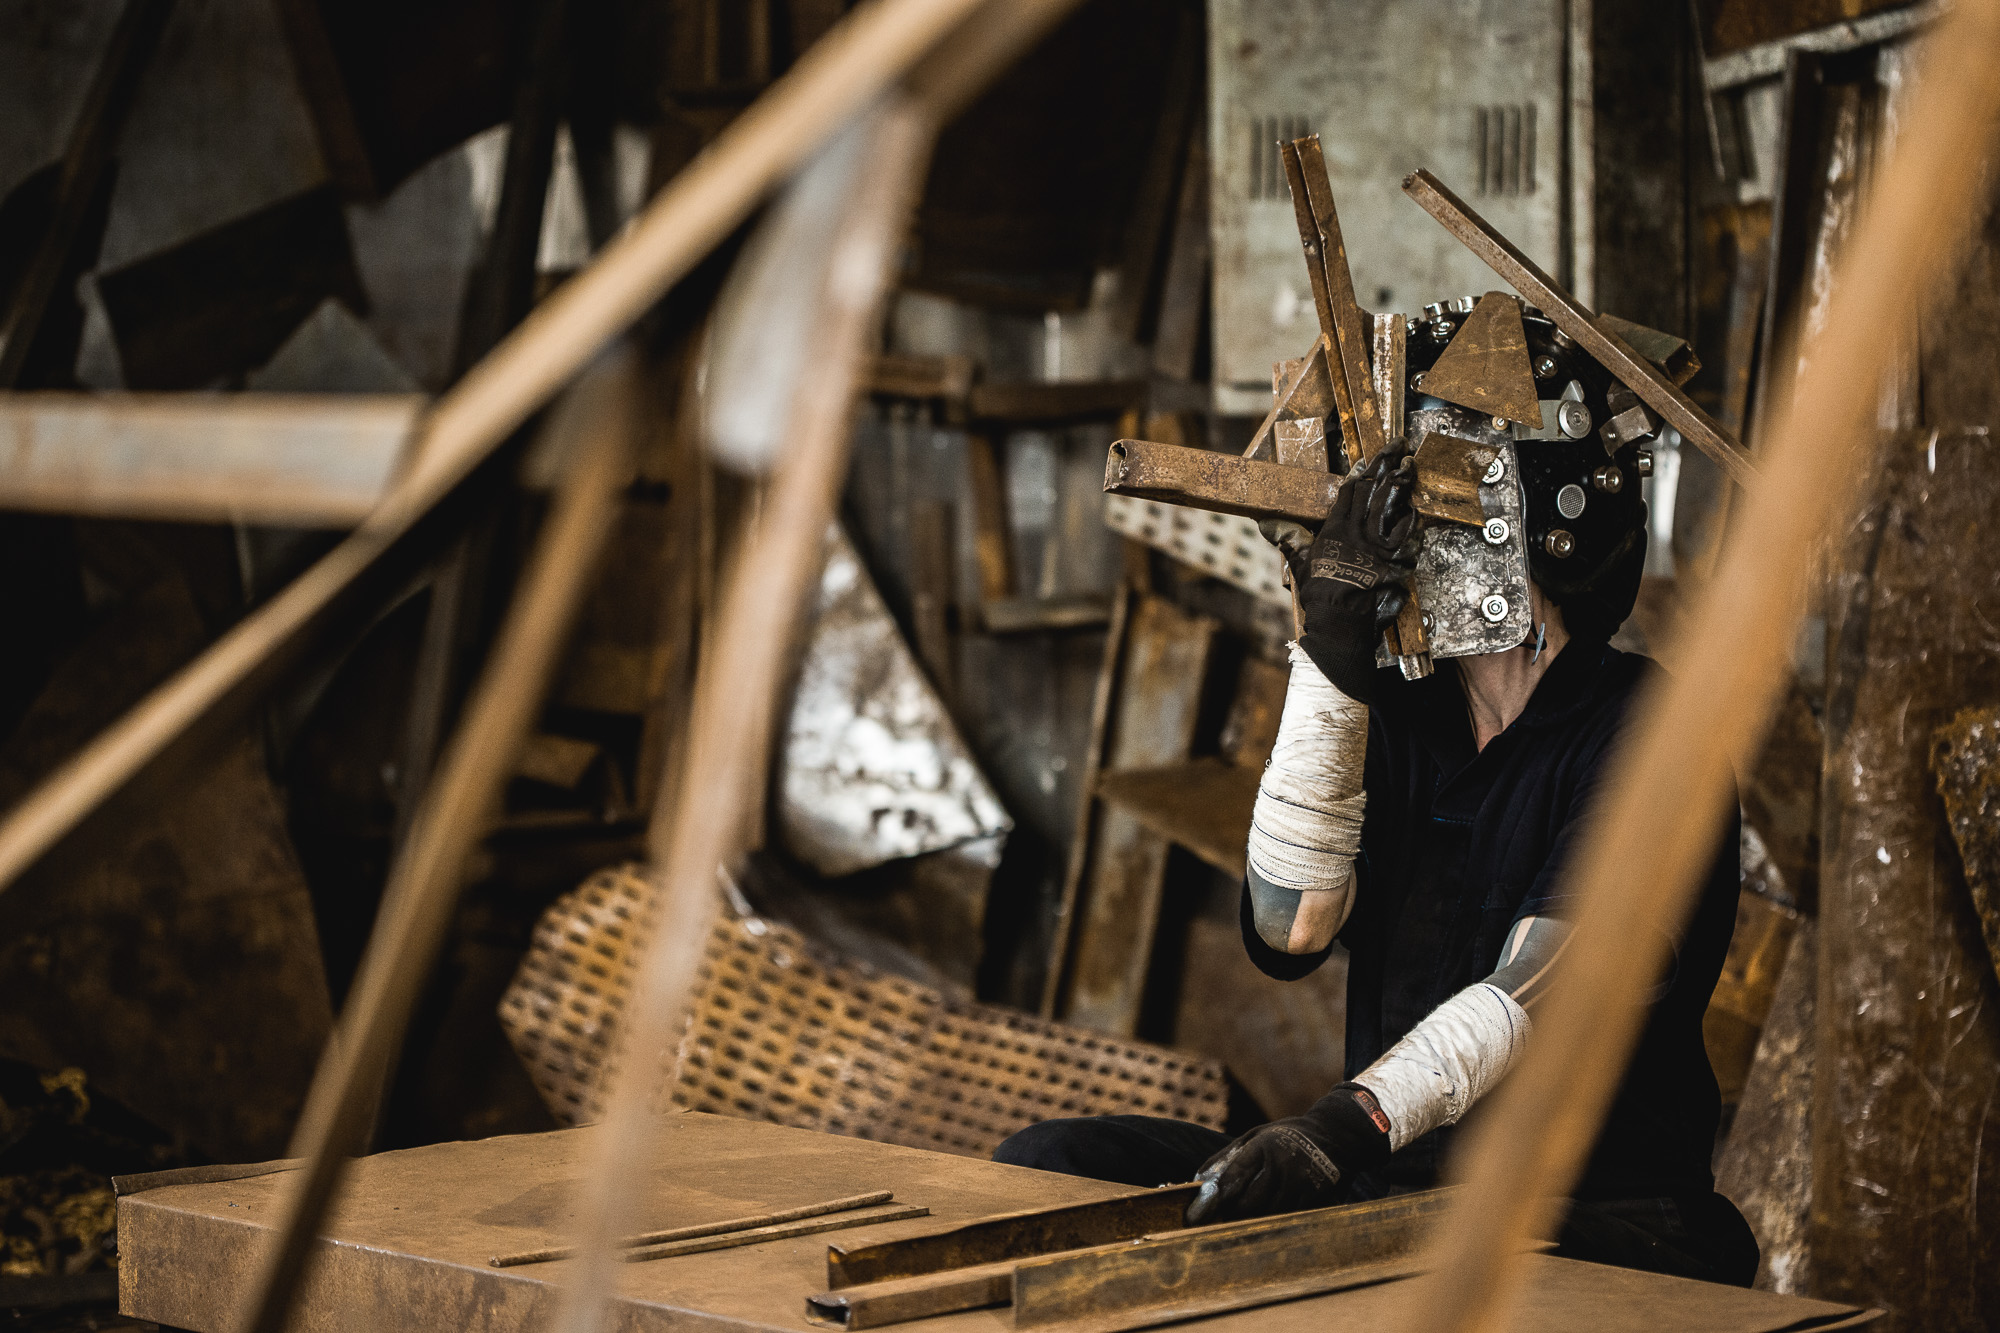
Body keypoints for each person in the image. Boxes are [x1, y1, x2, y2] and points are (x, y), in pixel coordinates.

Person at [997, 383, 1757, 1285]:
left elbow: (1543, 995)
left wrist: (1339, 1128)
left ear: (1522, 529)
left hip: (1586, 1210)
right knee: (1052, 1163)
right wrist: (1331, 649)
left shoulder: (1652, 727)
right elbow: (1289, 928)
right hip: (1396, 1184)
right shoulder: (1401, 714)